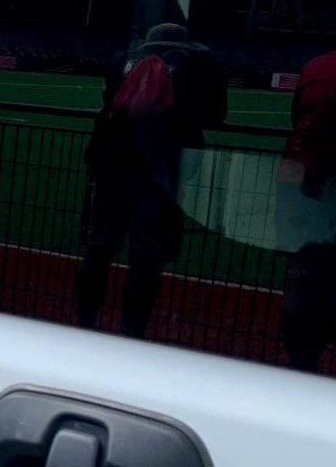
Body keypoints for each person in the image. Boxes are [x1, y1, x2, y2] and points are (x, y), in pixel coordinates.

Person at [74, 22, 226, 337]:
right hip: (162, 170)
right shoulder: (197, 66)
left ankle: (84, 323)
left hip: (110, 165)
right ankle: (133, 330)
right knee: (147, 254)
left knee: (99, 246)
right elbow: (215, 114)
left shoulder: (121, 61)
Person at [279, 36, 336, 372]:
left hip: (306, 180)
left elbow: (298, 119)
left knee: (307, 267)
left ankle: (302, 356)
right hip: (330, 179)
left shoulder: (317, 65)